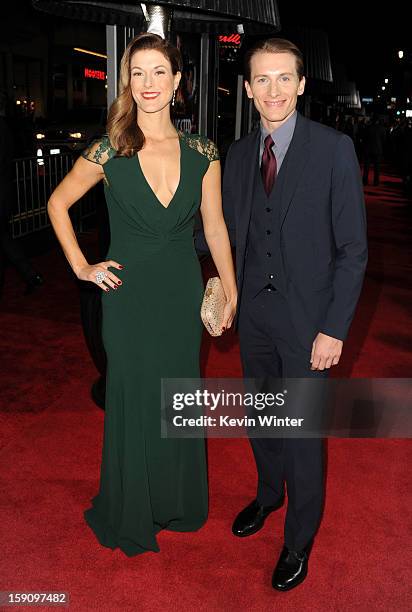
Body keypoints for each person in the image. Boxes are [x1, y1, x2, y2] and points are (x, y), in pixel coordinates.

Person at [47, 32, 237, 557]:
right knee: (133, 397)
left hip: (179, 294)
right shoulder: (109, 149)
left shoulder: (203, 152)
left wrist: (231, 287)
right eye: (138, 73)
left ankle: (177, 501)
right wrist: (82, 267)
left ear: (178, 83)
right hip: (127, 298)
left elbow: (216, 227)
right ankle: (132, 506)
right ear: (127, 83)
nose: (148, 83)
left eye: (159, 72)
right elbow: (57, 204)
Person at [223, 38, 367, 591]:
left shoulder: (333, 149)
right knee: (261, 417)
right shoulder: (237, 155)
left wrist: (334, 329)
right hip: (254, 317)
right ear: (249, 87)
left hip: (310, 323)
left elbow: (353, 250)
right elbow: (221, 234)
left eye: (285, 78)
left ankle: (299, 538)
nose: (274, 90)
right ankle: (267, 495)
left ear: (302, 84)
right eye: (263, 79)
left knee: (304, 435)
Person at [0, 90, 43, 296]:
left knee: (5, 239)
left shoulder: (2, 128)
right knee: (5, 239)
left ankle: (31, 275)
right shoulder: (5, 127)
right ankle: (31, 275)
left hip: (2, 195)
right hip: (4, 193)